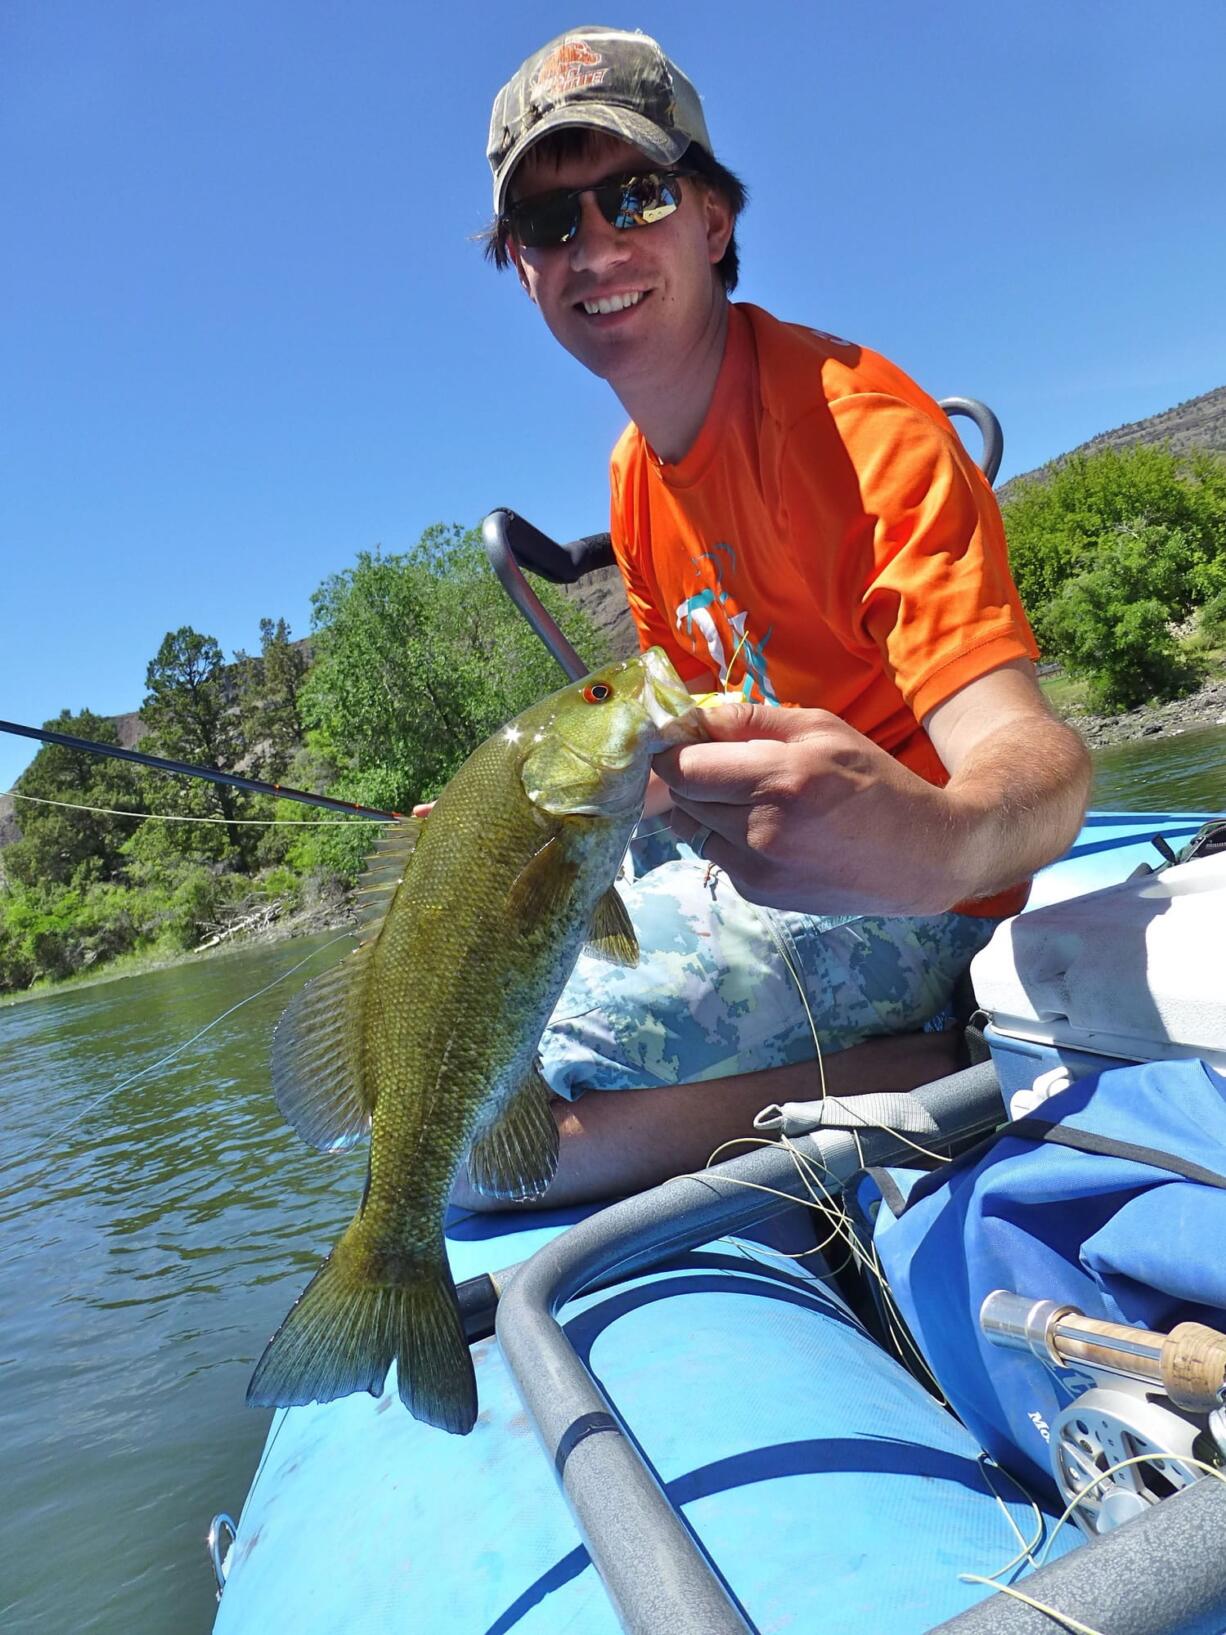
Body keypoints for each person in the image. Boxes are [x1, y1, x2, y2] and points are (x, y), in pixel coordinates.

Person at [452, 25, 1091, 1209]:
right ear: (524, 269)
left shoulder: (863, 432)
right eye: (549, 225)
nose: (594, 246)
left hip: (918, 902)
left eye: (633, 195)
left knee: (457, 1148)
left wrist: (933, 842)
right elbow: (681, 733)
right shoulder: (632, 477)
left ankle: (922, 1065)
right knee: (446, 999)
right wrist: (502, 828)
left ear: (711, 220)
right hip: (737, 867)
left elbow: (1037, 764)